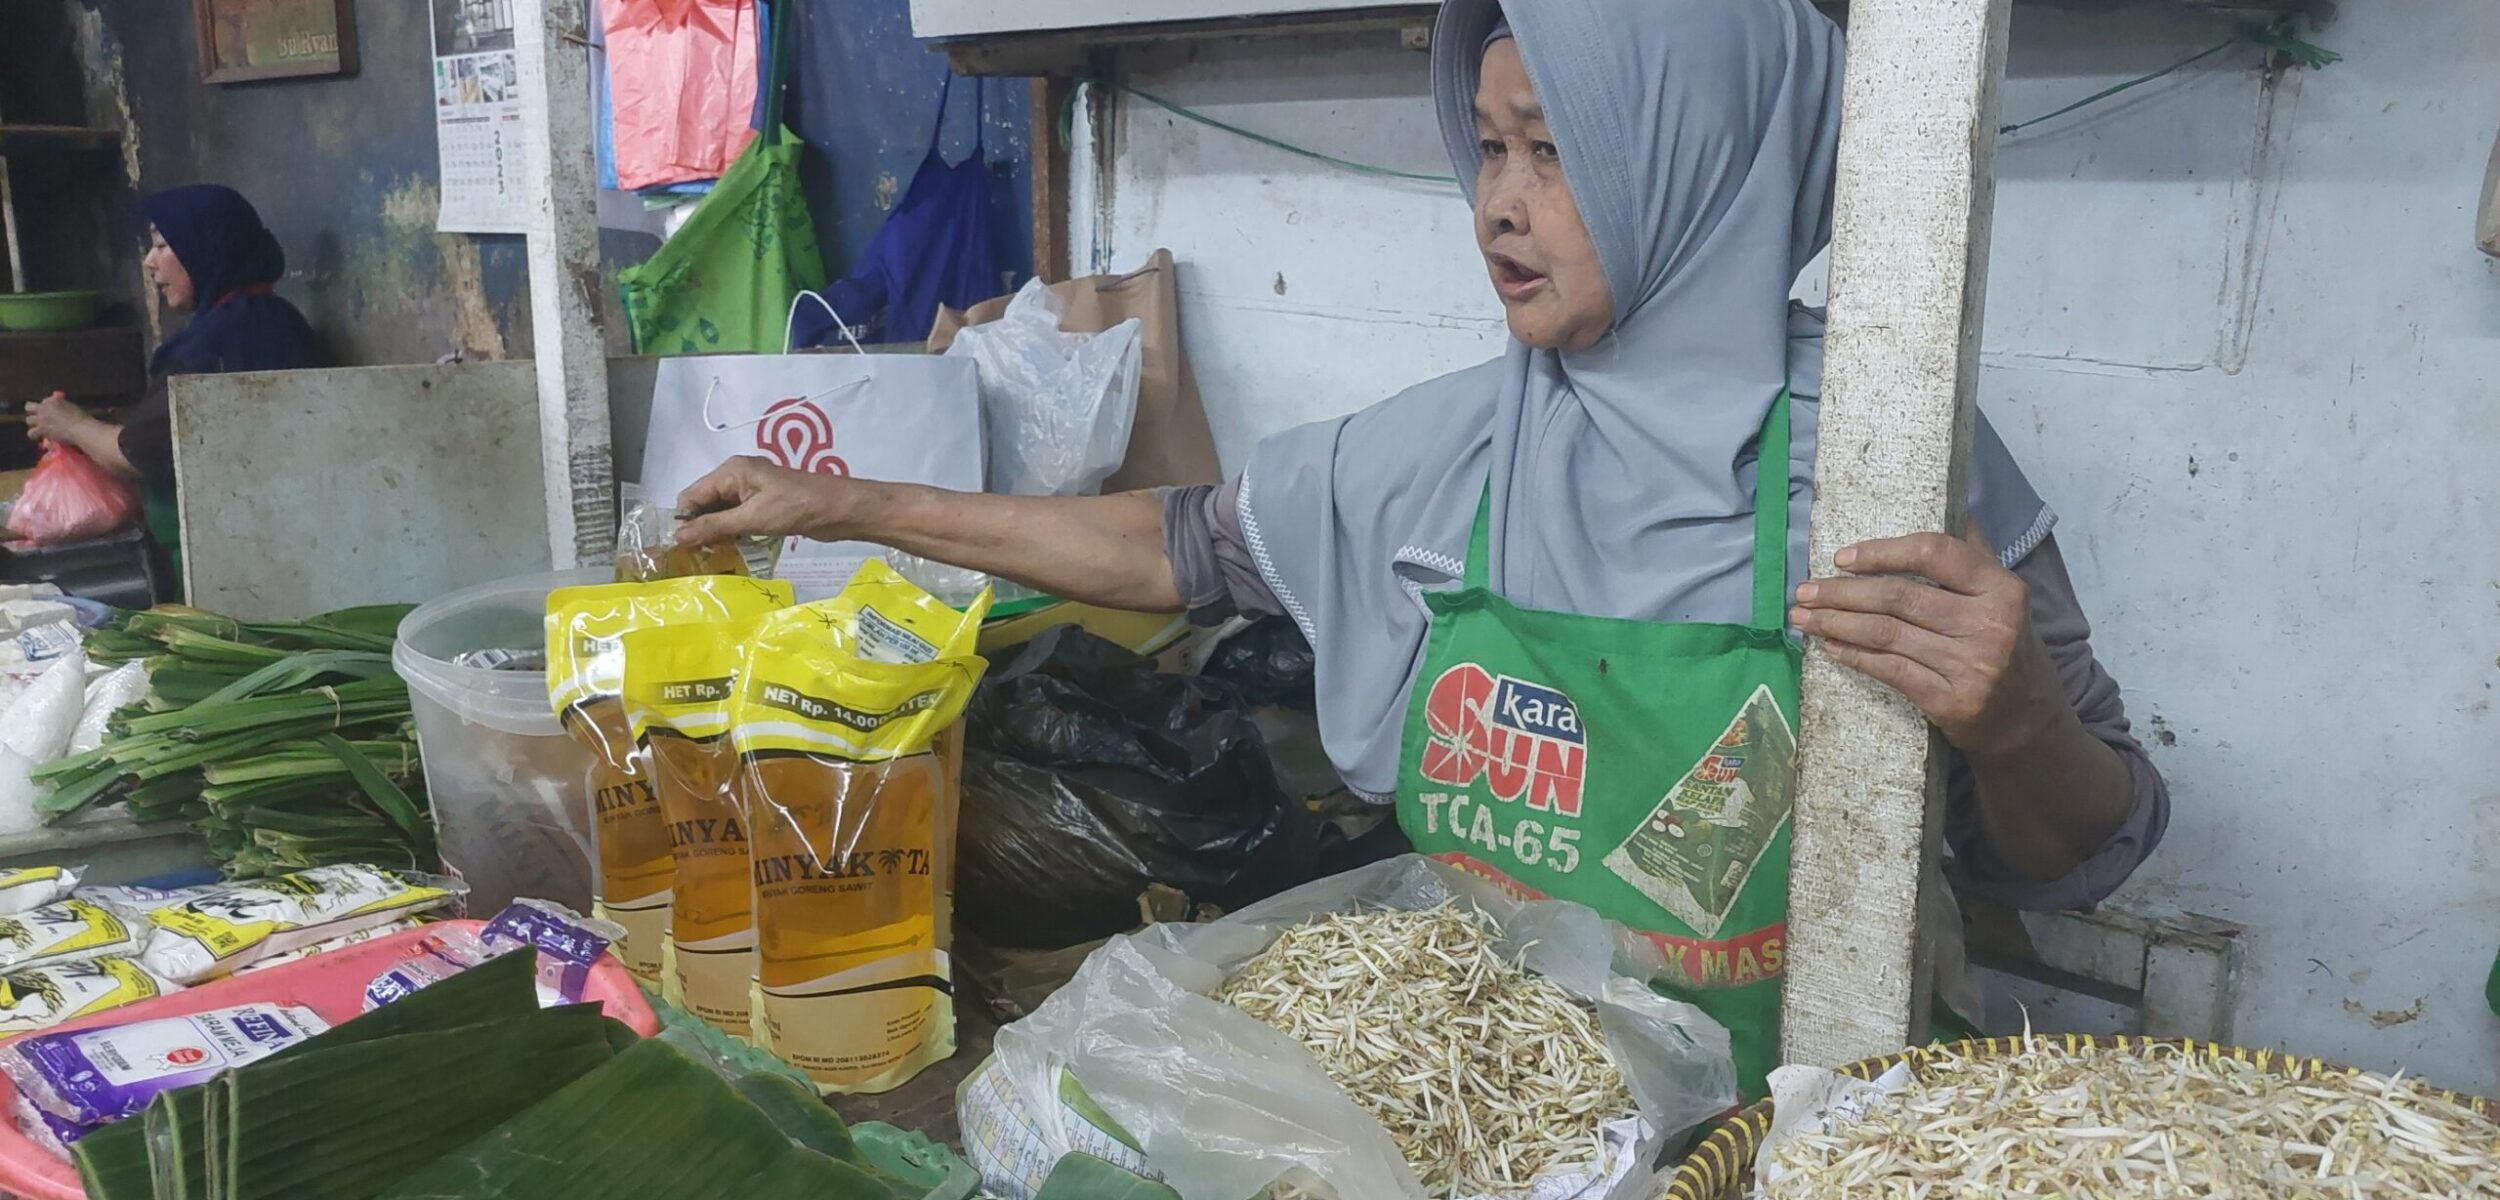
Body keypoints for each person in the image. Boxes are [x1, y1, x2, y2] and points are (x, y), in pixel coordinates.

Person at [671, 0, 2169, 1090]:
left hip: (1790, 1123)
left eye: (1556, 153)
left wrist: (2018, 721)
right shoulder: (1458, 447)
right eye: (1489, 147)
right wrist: (845, 505)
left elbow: (2082, 850)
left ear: (1700, 159)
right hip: (1482, 1101)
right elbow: (1167, 550)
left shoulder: (1891, 460)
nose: (1498, 207)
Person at [26, 185, 323, 577]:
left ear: (205, 247)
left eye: (162, 245)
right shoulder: (273, 317)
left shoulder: (219, 340)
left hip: (231, 562)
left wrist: (72, 424)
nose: (150, 262)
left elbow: (141, 454)